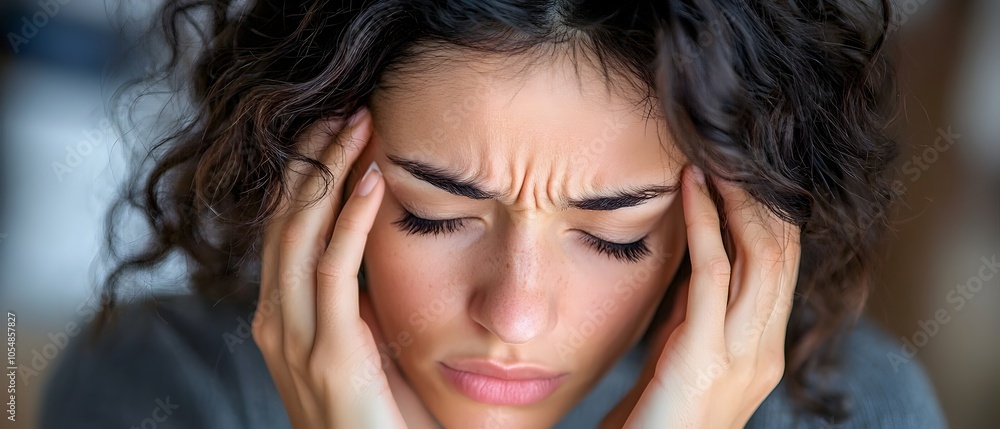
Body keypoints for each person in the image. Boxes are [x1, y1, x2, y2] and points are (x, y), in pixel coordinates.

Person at [41, 0, 947, 427]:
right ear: (305, 177)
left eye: (614, 233)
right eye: (433, 215)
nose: (513, 313)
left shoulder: (854, 407)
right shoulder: (161, 389)